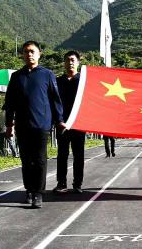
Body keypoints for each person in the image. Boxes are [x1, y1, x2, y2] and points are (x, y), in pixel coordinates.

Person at [4, 40, 65, 208]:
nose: (29, 54)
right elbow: (9, 102)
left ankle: (38, 193)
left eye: (32, 51)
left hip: (42, 125)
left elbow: (55, 99)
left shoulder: (47, 74)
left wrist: (59, 120)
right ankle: (29, 190)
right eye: (26, 51)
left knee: (39, 160)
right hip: (22, 126)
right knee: (26, 160)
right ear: (22, 55)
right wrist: (9, 125)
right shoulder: (17, 77)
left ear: (39, 54)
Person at [53, 50, 86, 194]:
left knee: (79, 155)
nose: (70, 62)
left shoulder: (84, 81)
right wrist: (58, 120)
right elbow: (54, 102)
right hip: (62, 124)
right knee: (62, 154)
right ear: (64, 63)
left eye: (73, 60)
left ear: (78, 62)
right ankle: (61, 183)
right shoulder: (57, 81)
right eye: (67, 60)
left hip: (79, 124)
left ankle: (77, 184)